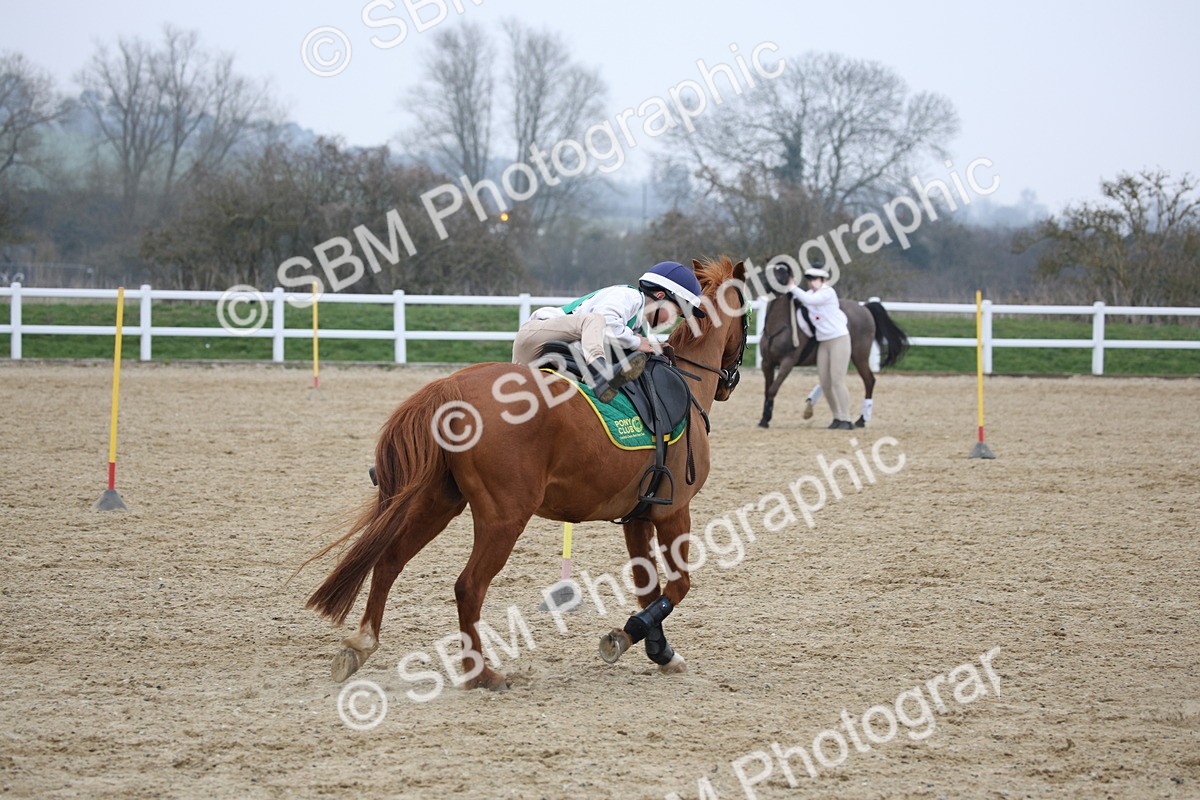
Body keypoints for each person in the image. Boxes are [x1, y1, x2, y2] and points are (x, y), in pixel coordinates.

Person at [512, 261, 707, 403]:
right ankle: (600, 374)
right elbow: (606, 323)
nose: (672, 322)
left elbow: (635, 344)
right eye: (675, 313)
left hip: (557, 355)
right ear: (660, 296)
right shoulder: (628, 295)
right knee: (597, 321)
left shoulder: (637, 324)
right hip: (536, 337)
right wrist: (638, 343)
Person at [786, 265, 854, 429]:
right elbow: (803, 299)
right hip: (824, 342)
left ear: (823, 280)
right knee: (825, 382)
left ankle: (847, 418)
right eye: (809, 279)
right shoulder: (809, 294)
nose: (811, 282)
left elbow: (809, 301)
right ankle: (837, 416)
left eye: (815, 279)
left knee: (838, 380)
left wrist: (792, 286)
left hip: (839, 339)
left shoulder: (828, 292)